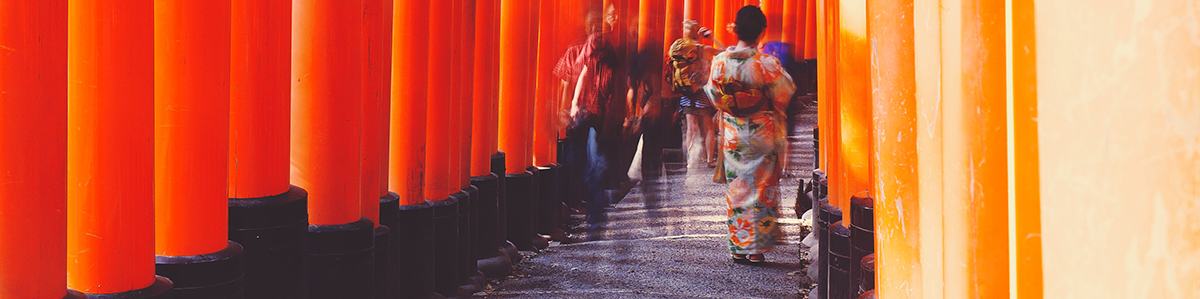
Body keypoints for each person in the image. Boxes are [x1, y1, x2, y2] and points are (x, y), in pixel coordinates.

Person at [703, 5, 796, 263]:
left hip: (733, 134)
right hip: (761, 133)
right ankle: (756, 251)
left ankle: (738, 246)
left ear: (735, 29)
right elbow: (784, 94)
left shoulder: (719, 62)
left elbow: (713, 96)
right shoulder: (766, 63)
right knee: (762, 190)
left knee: (738, 189)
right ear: (761, 32)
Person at [668, 20, 726, 168]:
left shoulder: (679, 50)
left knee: (691, 128)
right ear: (698, 33)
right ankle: (709, 160)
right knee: (709, 128)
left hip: (687, 91)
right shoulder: (705, 49)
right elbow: (725, 51)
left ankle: (689, 159)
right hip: (703, 91)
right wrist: (712, 38)